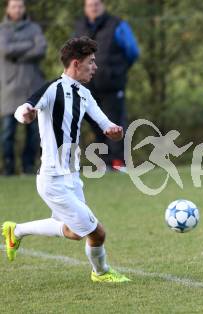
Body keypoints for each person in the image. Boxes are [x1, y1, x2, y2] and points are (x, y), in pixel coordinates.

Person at [2, 37, 130, 283]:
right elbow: (22, 108)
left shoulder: (84, 93)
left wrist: (114, 129)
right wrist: (25, 114)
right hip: (53, 179)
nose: (95, 67)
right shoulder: (53, 89)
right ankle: (101, 273)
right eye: (91, 62)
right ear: (75, 63)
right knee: (98, 233)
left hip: (72, 177)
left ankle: (16, 230)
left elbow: (104, 123)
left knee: (72, 232)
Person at [74, 0, 140, 169]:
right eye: (90, 5)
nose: (93, 7)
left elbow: (132, 51)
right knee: (96, 124)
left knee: (115, 123)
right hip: (88, 85)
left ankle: (119, 162)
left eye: (96, 4)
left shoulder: (117, 25)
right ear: (85, 7)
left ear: (102, 5)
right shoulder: (80, 27)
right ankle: (104, 163)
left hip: (112, 84)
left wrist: (118, 70)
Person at [0, 0, 47, 175]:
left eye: (20, 6)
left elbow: (41, 49)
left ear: (24, 8)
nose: (17, 9)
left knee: (34, 132)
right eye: (14, 6)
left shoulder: (34, 28)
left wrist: (17, 52)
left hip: (32, 88)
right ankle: (9, 168)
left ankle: (28, 167)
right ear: (8, 8)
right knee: (7, 133)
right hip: (9, 89)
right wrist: (29, 46)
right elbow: (5, 50)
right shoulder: (2, 30)